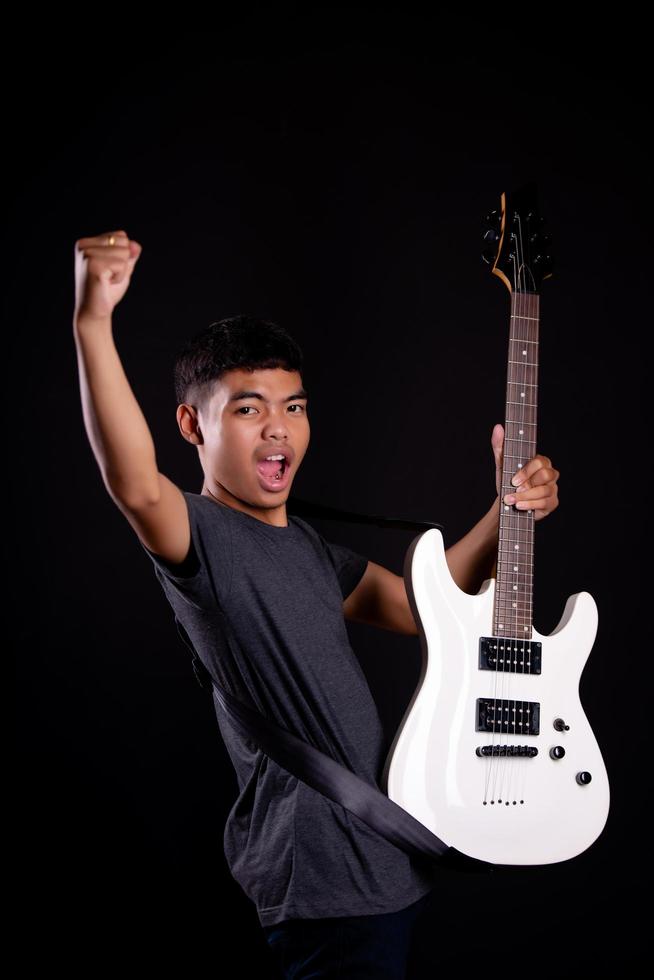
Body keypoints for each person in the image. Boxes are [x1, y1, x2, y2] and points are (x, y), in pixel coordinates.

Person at [72, 229, 561, 978]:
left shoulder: (303, 544)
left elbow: (423, 608)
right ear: (191, 425)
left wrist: (508, 509)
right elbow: (136, 485)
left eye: (294, 406)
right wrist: (93, 323)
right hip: (324, 878)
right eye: (248, 409)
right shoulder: (199, 538)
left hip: (386, 857)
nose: (279, 427)